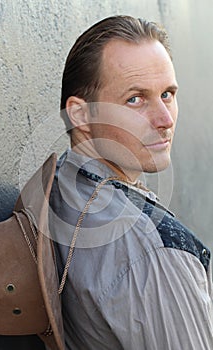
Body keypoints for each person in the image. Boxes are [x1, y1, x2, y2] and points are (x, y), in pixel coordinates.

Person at [48, 15, 213, 349]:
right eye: (135, 99)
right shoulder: (156, 252)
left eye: (167, 94)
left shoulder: (64, 182)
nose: (165, 120)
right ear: (80, 115)